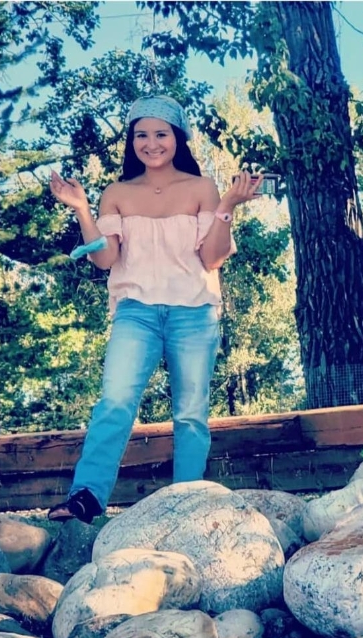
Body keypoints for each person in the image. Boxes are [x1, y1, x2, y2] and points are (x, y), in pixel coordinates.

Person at [47, 94, 262, 523]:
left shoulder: (202, 188)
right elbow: (105, 259)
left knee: (191, 414)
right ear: (132, 142)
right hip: (136, 312)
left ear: (177, 137)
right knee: (114, 402)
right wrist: (82, 209)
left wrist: (226, 208)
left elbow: (212, 259)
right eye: (141, 135)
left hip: (194, 312)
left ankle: (187, 504)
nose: (151, 143)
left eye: (161, 134)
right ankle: (87, 496)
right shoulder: (117, 193)